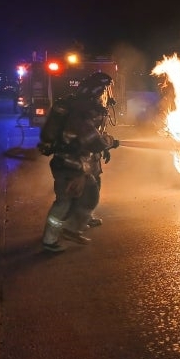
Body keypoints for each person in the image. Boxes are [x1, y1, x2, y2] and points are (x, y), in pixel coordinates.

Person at [39, 71, 119, 253]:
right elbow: (93, 140)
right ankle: (50, 239)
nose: (106, 95)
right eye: (105, 91)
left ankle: (72, 228)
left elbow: (90, 138)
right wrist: (109, 143)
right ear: (98, 91)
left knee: (90, 194)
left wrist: (103, 147)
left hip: (75, 163)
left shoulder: (81, 106)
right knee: (63, 202)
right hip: (68, 165)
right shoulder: (83, 112)